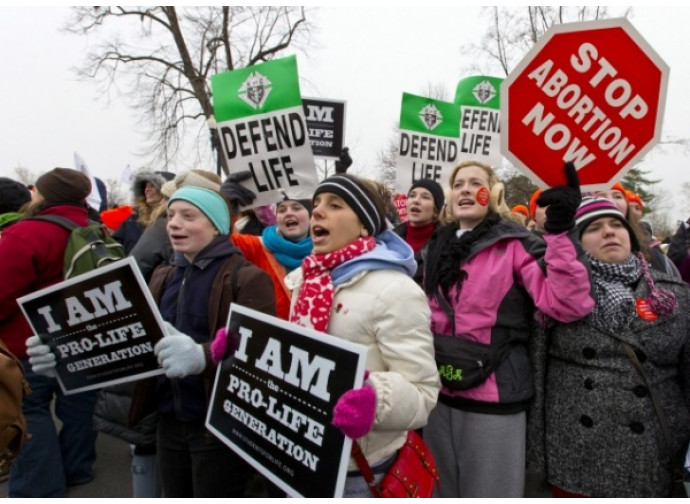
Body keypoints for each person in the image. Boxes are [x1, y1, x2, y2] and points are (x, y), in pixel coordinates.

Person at [422, 160, 594, 498]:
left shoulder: (517, 245)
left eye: (476, 183)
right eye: (458, 184)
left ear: (494, 193)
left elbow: (567, 304)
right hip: (437, 397)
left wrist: (560, 234)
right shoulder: (434, 249)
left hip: (494, 400)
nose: (466, 190)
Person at [284, 173, 440, 497]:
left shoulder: (395, 290)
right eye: (316, 205)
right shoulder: (303, 280)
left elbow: (422, 390)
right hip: (302, 451)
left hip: (358, 471)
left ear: (364, 226)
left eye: (335, 205)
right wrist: (241, 348)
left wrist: (375, 399)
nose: (317, 212)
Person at [527, 197, 690, 497]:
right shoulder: (554, 298)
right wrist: (537, 463)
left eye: (617, 225)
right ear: (577, 242)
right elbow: (538, 379)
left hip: (653, 457)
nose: (609, 232)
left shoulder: (674, 294)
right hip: (576, 457)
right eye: (594, 228)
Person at [0, 168, 99, 497]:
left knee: (28, 411)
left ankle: (39, 488)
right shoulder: (97, 230)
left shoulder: (26, 232)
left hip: (30, 346)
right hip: (87, 341)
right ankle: (77, 469)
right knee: (78, 408)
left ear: (46, 195)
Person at [231, 197, 313, 320]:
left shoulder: (326, 254)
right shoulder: (258, 246)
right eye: (282, 210)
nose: (289, 213)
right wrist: (229, 207)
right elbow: (219, 240)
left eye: (296, 208)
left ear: (311, 216)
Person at [393, 178, 445, 285]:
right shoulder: (389, 240)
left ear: (436, 211)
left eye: (425, 197)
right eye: (412, 195)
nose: (416, 200)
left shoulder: (446, 245)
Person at [112, 170, 173, 254]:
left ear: (165, 191)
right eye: (145, 186)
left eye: (152, 185)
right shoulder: (133, 219)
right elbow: (114, 245)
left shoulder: (171, 221)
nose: (147, 189)